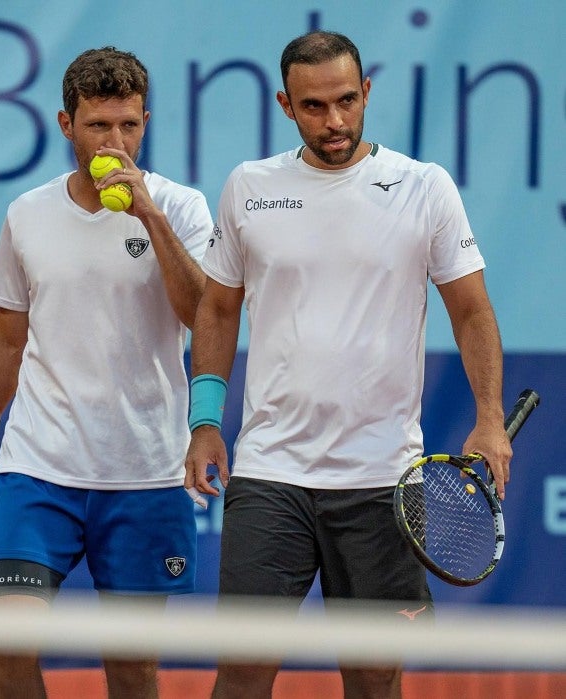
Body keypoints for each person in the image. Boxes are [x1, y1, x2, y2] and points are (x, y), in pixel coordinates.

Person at [184, 30, 512, 699]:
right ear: (285, 104)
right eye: (313, 106)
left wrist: (488, 417)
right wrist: (205, 419)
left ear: (366, 93)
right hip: (271, 471)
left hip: (382, 479)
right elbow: (218, 310)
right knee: (242, 672)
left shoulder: (425, 188)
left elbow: (472, 311)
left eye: (345, 101)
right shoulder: (249, 186)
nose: (334, 121)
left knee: (373, 675)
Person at [0, 47, 212, 698]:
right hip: (38, 467)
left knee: (131, 672)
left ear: (146, 122)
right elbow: (6, 341)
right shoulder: (26, 215)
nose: (116, 142)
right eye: (99, 126)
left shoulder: (181, 208)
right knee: (9, 658)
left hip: (146, 470)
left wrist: (148, 214)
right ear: (67, 125)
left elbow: (203, 315)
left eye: (129, 125)